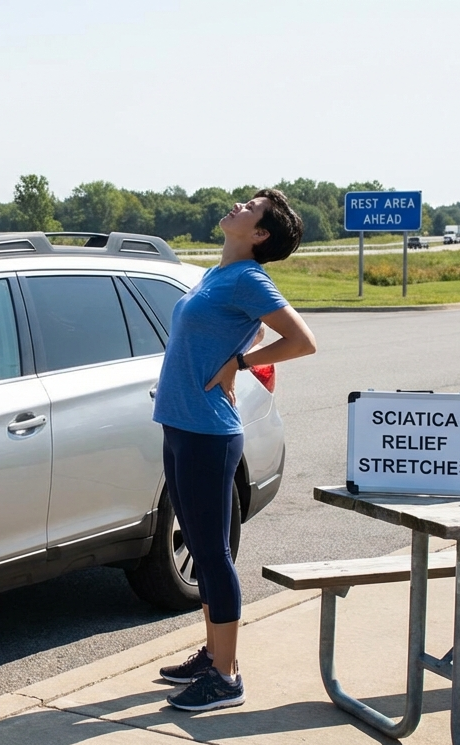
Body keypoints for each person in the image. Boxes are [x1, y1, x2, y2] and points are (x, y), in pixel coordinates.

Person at [153, 188, 317, 712]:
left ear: (260, 234)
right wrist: (232, 351)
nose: (239, 206)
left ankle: (225, 678)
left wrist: (239, 364)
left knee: (212, 553)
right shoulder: (218, 274)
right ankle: (214, 655)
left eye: (251, 208)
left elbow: (302, 340)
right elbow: (233, 332)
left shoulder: (249, 278)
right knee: (201, 550)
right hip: (181, 424)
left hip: (209, 432)